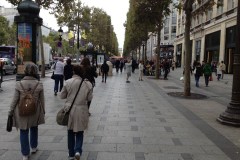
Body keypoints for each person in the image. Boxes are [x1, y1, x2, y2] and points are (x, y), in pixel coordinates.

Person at [8, 63, 45, 160]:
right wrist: (43, 111)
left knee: (23, 131)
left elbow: (14, 100)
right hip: (35, 111)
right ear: (36, 72)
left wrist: (10, 112)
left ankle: (25, 154)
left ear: (25, 72)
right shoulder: (39, 84)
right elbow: (42, 100)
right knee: (34, 128)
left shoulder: (19, 84)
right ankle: (34, 147)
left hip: (22, 111)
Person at [60, 65, 93, 160]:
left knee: (70, 131)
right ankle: (78, 150)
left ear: (74, 72)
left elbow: (62, 96)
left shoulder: (68, 82)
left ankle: (71, 153)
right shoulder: (88, 84)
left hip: (69, 110)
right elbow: (89, 98)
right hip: (82, 109)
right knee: (80, 131)